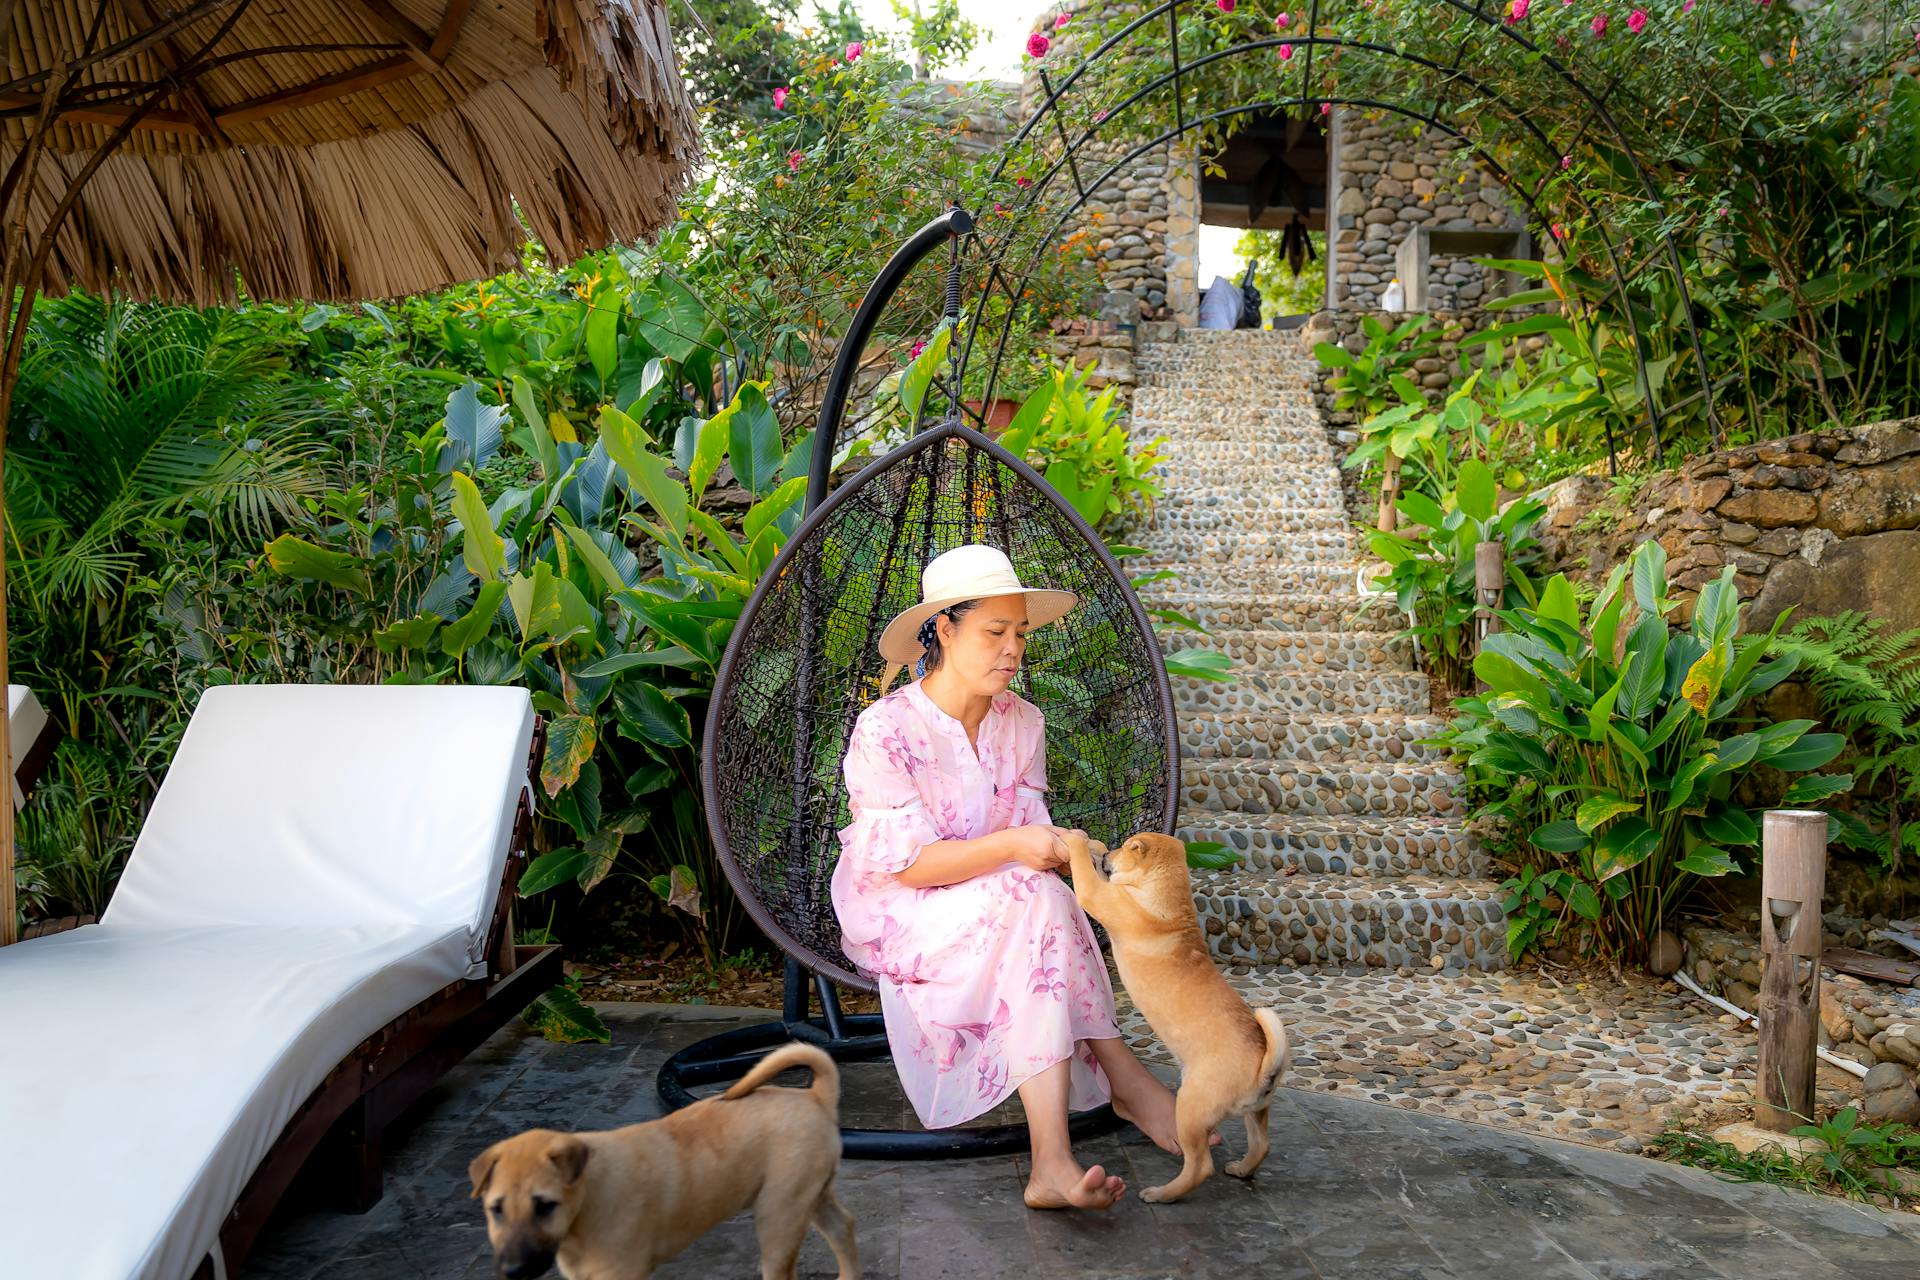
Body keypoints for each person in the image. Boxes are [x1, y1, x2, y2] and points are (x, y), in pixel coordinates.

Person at [830, 544, 1185, 1211]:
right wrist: (1022, 845)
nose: (1012, 649)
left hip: (1005, 901)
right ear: (943, 629)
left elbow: (1032, 843)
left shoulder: (1023, 722)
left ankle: (1052, 1158)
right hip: (903, 906)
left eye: (1019, 633)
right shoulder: (886, 731)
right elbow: (909, 864)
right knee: (1031, 893)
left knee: (1040, 895)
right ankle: (1122, 1077)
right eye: (995, 631)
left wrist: (1058, 845)